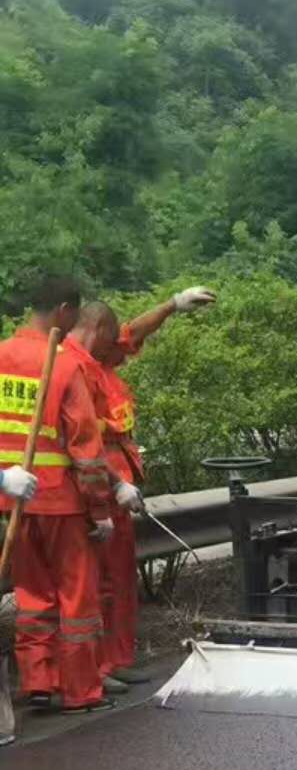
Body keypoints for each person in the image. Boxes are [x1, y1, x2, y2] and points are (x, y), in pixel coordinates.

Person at [65, 287, 215, 689]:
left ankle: (115, 660)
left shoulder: (99, 358)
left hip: (117, 483)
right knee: (96, 582)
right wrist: (107, 493)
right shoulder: (73, 366)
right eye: (111, 336)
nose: (121, 345)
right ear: (97, 330)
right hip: (95, 485)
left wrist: (173, 305)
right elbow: (80, 441)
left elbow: (132, 334)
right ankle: (95, 669)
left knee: (117, 578)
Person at [0, 274, 115, 713]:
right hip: (62, 503)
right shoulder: (64, 364)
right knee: (77, 600)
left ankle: (38, 681)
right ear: (64, 311)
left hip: (14, 501)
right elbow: (86, 448)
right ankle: (81, 691)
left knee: (32, 597)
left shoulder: (1, 356)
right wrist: (100, 508)